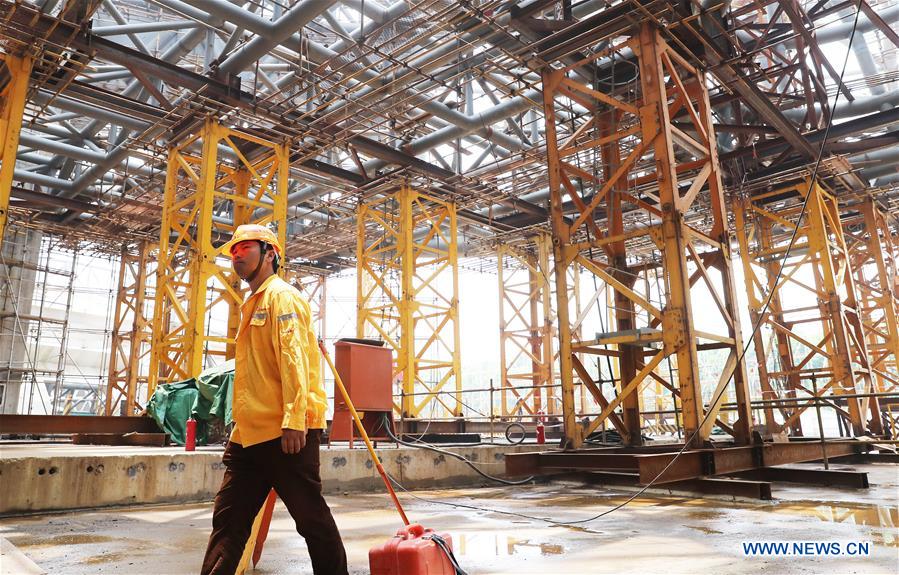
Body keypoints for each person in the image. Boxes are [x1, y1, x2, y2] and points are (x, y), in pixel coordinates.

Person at [201, 224, 348, 575]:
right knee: (228, 522)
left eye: (245, 248)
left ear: (270, 253)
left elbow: (293, 359)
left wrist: (294, 419)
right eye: (233, 252)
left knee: (311, 520)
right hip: (249, 434)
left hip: (286, 436)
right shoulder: (252, 302)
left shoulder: (282, 297)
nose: (236, 257)